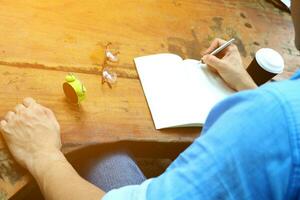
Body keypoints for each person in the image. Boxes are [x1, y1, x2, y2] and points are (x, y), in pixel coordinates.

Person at [1, 1, 300, 199]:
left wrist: (43, 156)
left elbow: (278, 131)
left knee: (99, 152)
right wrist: (248, 87)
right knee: (110, 155)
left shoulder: (272, 119)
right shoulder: (282, 104)